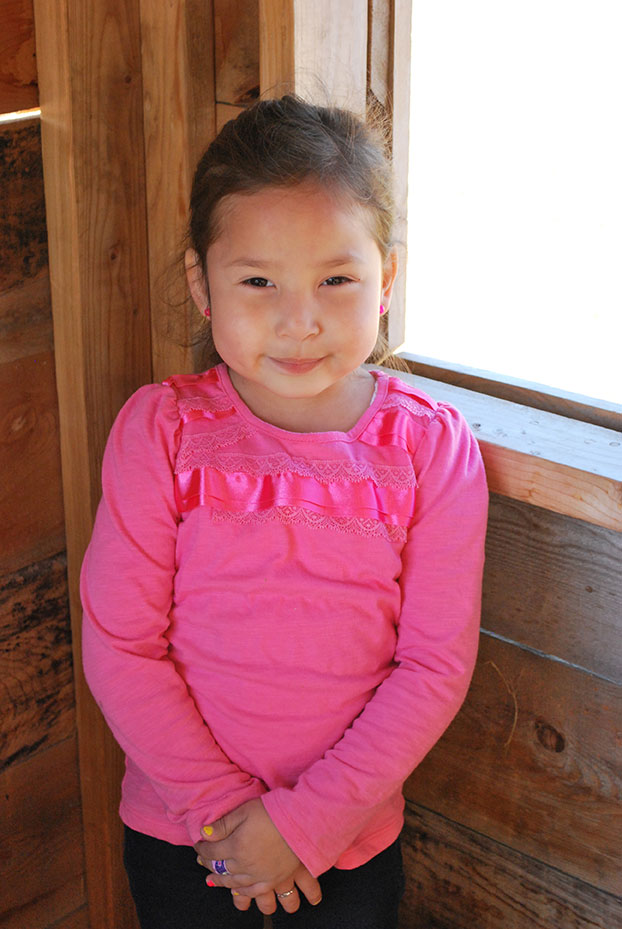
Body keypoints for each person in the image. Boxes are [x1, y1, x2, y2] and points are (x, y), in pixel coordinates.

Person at [81, 95, 489, 929]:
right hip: (185, 836)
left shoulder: (431, 448)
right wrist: (230, 822)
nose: (300, 322)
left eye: (336, 280)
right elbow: (122, 645)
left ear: (386, 279)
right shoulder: (161, 432)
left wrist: (302, 826)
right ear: (202, 282)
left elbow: (433, 666)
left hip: (348, 842)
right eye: (259, 281)